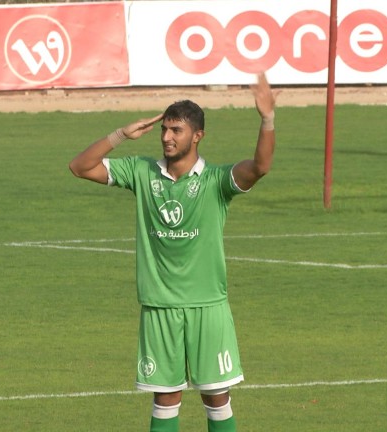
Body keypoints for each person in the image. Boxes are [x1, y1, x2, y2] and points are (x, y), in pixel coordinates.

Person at [68, 73, 276, 432]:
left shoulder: (215, 182)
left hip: (207, 305)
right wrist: (120, 135)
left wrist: (267, 119)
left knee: (216, 396)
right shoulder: (142, 172)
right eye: (165, 129)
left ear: (197, 136)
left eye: (176, 130)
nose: (166, 137)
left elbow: (259, 168)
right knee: (164, 398)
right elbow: (80, 167)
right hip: (159, 306)